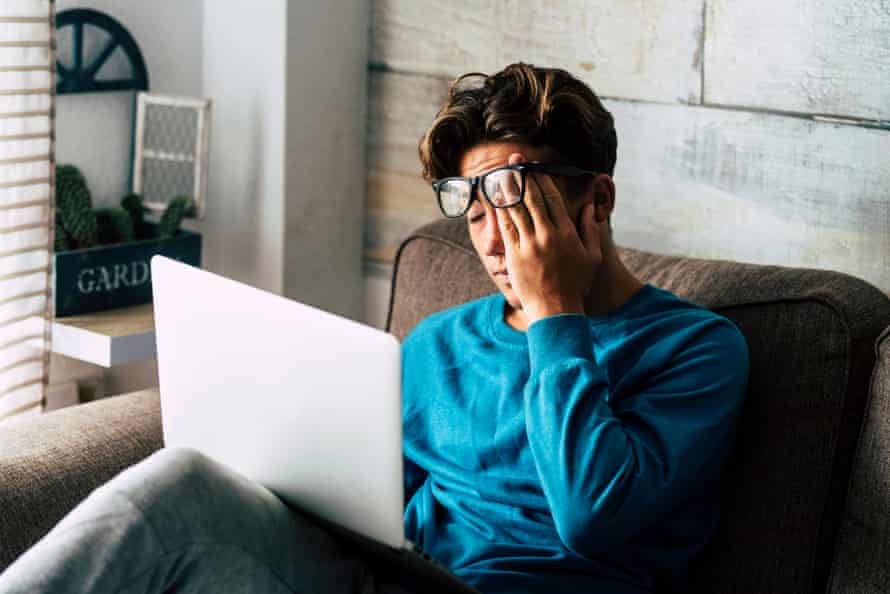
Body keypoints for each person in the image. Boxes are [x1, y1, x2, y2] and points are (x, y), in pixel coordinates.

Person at [0, 63, 748, 594]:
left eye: (512, 196)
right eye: (473, 207)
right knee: (182, 486)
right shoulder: (439, 345)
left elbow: (593, 515)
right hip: (382, 577)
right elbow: (365, 506)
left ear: (598, 200)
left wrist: (556, 315)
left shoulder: (697, 350)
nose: (490, 238)